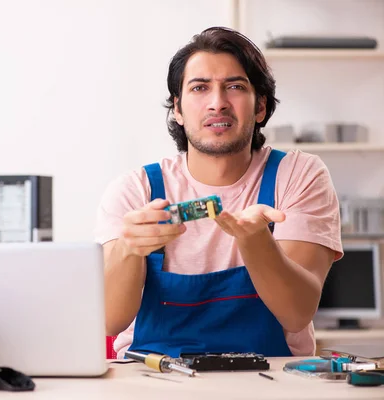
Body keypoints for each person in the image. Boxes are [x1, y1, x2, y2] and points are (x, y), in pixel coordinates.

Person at [94, 26, 343, 359]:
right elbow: (110, 321)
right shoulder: (135, 190)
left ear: (260, 107)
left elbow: (297, 314)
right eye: (200, 88)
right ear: (178, 110)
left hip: (271, 379)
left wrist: (256, 243)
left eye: (235, 87)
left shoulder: (298, 176)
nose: (218, 103)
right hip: (152, 379)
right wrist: (129, 249)